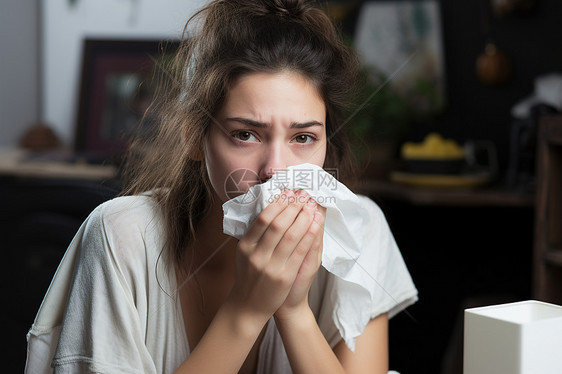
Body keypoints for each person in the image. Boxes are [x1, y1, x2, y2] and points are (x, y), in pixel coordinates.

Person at [25, 0, 417, 373]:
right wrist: (247, 309)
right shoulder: (121, 237)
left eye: (303, 138)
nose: (275, 171)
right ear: (195, 137)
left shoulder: (360, 230)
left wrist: (293, 312)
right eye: (246, 134)